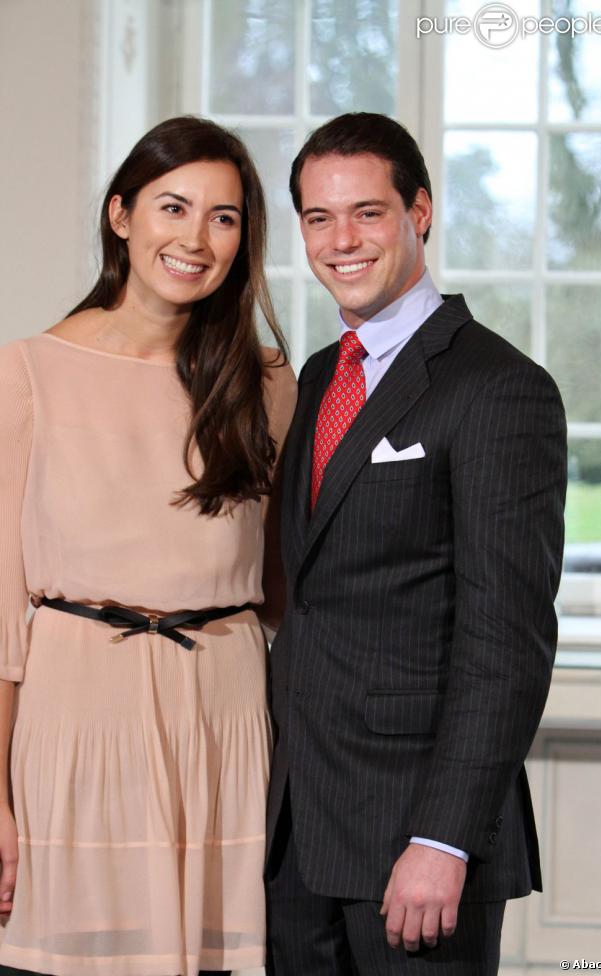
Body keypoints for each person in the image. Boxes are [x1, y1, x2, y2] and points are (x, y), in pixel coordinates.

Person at [265, 112, 567, 975]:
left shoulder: (500, 389)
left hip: (417, 841)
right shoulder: (321, 375)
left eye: (368, 212)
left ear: (420, 213)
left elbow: (505, 642)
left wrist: (442, 838)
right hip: (298, 835)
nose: (342, 240)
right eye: (319, 219)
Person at [0, 115, 296, 976]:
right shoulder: (27, 375)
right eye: (174, 207)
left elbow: (287, 585)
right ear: (121, 215)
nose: (196, 238)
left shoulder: (269, 383)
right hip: (79, 719)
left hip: (226, 723)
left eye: (225, 217)